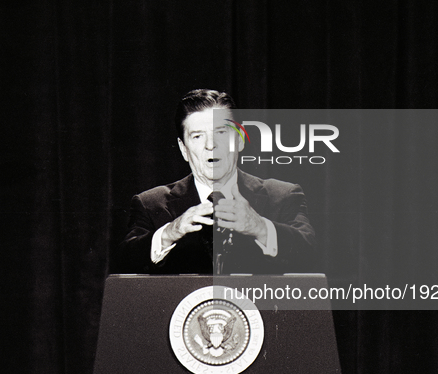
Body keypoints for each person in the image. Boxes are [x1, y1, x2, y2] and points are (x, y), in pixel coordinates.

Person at [118, 89, 316, 274]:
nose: (210, 145)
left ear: (239, 140)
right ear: (183, 149)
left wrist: (260, 227)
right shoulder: (151, 204)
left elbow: (313, 255)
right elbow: (123, 263)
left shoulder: (282, 196)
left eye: (221, 132)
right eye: (197, 136)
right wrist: (171, 231)